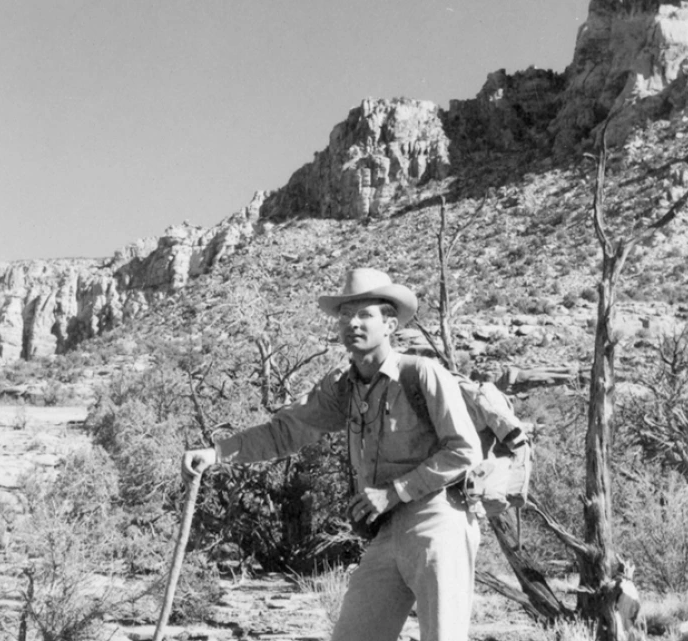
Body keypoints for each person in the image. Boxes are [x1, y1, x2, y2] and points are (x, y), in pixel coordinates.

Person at [182, 267, 482, 641]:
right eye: (344, 315)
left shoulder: (421, 374)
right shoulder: (342, 388)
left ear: (390, 324)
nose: (352, 323)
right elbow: (285, 432)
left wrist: (395, 491)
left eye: (364, 314)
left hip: (438, 522)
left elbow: (466, 451)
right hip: (386, 531)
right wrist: (217, 453)